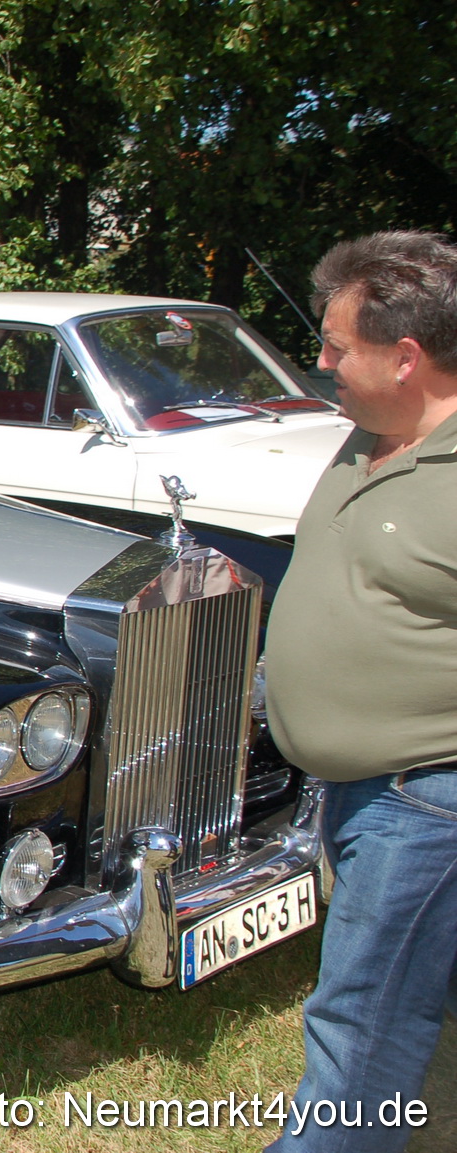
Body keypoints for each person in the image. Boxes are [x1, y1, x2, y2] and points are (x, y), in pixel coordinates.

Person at [264, 231, 457, 1152]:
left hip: (425, 798)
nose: (322, 360)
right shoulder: (368, 435)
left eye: (338, 345)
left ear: (406, 356)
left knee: (361, 1018)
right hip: (356, 787)